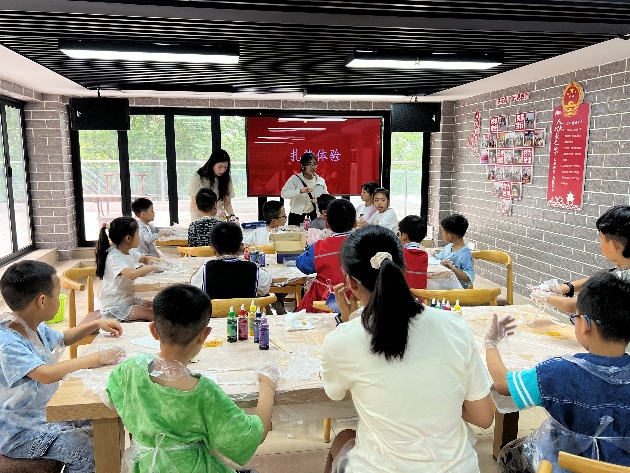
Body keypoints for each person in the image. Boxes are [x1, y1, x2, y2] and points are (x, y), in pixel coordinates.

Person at [322, 226, 494, 472]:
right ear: (403, 271)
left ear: (350, 282)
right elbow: (483, 417)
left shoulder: (342, 340)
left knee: (343, 439)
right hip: (457, 468)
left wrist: (350, 322)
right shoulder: (453, 325)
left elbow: (335, 393)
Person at [107, 284, 279, 473]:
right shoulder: (202, 393)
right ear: (204, 335)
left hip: (146, 467)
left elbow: (114, 396)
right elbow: (251, 437)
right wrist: (268, 384)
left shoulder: (130, 369)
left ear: (154, 330)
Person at [486, 272, 630, 471]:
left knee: (509, 453)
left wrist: (491, 343)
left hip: (561, 465)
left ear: (586, 325)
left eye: (575, 317)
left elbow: (503, 384)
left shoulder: (559, 372)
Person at [0, 260, 125, 470]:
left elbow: (63, 338)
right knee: (90, 453)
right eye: (58, 293)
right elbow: (46, 374)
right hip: (19, 431)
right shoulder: (7, 343)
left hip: (41, 414)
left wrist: (95, 324)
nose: (60, 298)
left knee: (104, 420)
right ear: (42, 301)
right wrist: (99, 357)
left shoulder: (32, 326)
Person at [531, 205, 630, 314]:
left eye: (601, 239)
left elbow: (573, 305)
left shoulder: (621, 281)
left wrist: (544, 296)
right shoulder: (624, 267)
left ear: (614, 246)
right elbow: (597, 282)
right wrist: (564, 287)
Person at [296, 199, 356, 312]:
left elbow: (302, 265)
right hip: (359, 304)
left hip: (325, 305)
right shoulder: (366, 245)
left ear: (327, 223)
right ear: (355, 223)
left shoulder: (319, 248)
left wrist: (311, 247)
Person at [96, 216, 160, 321]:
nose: (139, 237)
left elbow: (144, 258)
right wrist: (153, 267)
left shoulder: (127, 251)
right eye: (138, 234)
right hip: (116, 307)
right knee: (157, 316)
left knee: (157, 305)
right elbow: (131, 274)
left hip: (127, 300)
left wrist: (163, 261)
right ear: (128, 238)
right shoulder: (114, 256)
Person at [191, 222, 272, 299]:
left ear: (213, 249)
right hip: (246, 309)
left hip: (215, 309)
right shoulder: (253, 269)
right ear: (241, 247)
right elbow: (265, 288)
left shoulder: (205, 269)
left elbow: (193, 285)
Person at [281, 152, 328, 226]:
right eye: (309, 164)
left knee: (314, 233)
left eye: (314, 164)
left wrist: (319, 201)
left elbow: (326, 198)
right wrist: (300, 191)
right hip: (296, 215)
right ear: (302, 166)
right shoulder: (294, 179)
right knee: (295, 233)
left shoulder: (320, 181)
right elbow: (284, 194)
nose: (313, 167)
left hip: (314, 216)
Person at [189, 148, 235, 221]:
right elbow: (195, 204)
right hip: (200, 216)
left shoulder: (226, 178)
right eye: (220, 167)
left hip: (218, 215)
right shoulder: (198, 178)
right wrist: (212, 213)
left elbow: (227, 203)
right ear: (212, 164)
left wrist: (232, 216)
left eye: (225, 167)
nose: (222, 170)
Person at [434, 213, 475, 288]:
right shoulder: (449, 247)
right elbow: (439, 258)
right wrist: (432, 254)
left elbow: (468, 278)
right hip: (446, 285)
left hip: (456, 290)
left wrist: (452, 268)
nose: (442, 234)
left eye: (442, 232)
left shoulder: (465, 254)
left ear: (450, 236)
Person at [398, 215, 429, 289]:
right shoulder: (425, 254)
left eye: (399, 234)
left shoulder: (401, 253)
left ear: (404, 236)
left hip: (403, 293)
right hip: (421, 293)